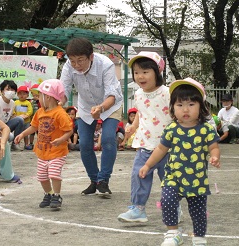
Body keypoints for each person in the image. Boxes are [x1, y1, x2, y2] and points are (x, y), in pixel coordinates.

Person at [139, 78, 221, 246]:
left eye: (191, 105)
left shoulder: (206, 129)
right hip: (173, 177)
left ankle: (198, 236)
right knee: (168, 200)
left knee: (198, 211)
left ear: (201, 106)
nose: (185, 109)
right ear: (172, 108)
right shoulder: (171, 129)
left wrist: (214, 156)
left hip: (197, 179)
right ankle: (172, 233)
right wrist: (148, 165)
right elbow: (161, 150)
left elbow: (213, 147)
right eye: (179, 105)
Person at [60, 37, 123, 197]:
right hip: (86, 106)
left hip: (110, 105)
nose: (76, 65)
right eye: (73, 61)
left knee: (108, 139)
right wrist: (58, 104)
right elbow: (64, 90)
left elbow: (111, 94)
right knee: (85, 144)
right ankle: (94, 181)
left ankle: (104, 181)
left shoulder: (106, 65)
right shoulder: (68, 66)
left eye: (80, 60)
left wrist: (101, 107)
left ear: (91, 56)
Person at [117, 51, 173, 223]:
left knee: (169, 181)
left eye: (145, 72)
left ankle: (173, 208)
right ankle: (138, 209)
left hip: (167, 147)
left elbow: (176, 114)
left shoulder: (167, 93)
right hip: (145, 144)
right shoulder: (139, 94)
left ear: (157, 72)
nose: (140, 76)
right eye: (136, 72)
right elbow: (141, 113)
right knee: (138, 175)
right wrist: (132, 127)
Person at [14, 79, 73, 209]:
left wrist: (61, 140)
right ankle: (49, 194)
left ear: (48, 97)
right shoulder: (40, 112)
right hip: (42, 151)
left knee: (53, 174)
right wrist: (22, 134)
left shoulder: (60, 113)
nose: (38, 98)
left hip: (57, 152)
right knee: (42, 176)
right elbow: (34, 127)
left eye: (39, 95)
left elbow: (69, 131)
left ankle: (57, 196)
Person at [0, 80, 25, 151]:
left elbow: (9, 117)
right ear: (2, 91)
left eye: (12, 89)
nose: (10, 91)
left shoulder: (12, 103)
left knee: (19, 120)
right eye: (8, 89)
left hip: (5, 126)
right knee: (10, 136)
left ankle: (15, 144)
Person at [14, 86, 33, 150]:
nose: (22, 95)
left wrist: (27, 115)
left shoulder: (28, 103)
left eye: (24, 94)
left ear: (27, 95)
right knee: (18, 133)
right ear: (17, 94)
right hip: (18, 121)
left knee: (26, 133)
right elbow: (13, 110)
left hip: (26, 121)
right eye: (20, 94)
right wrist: (15, 115)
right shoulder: (15, 102)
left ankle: (26, 144)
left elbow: (30, 111)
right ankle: (17, 144)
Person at [28, 84, 41, 149]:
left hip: (40, 119)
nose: (34, 95)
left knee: (40, 132)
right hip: (32, 119)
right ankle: (31, 143)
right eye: (33, 93)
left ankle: (40, 142)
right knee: (31, 132)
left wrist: (38, 100)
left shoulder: (41, 100)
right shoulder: (31, 101)